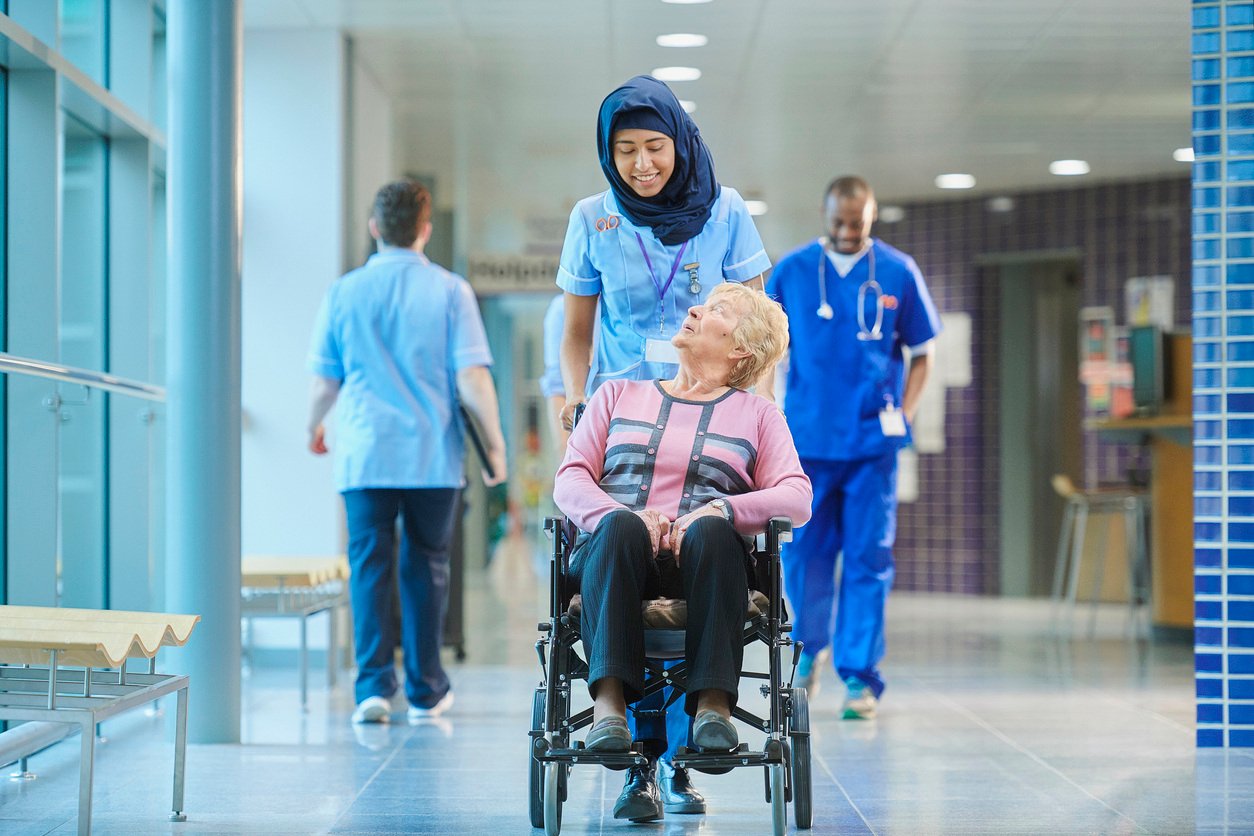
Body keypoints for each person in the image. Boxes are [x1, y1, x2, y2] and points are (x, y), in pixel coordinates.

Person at [555, 74, 772, 819]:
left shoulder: (728, 213)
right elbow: (578, 334)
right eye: (625, 151)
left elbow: (760, 322)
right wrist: (575, 399)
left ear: (679, 144)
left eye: (654, 148)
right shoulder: (593, 218)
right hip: (625, 424)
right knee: (622, 543)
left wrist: (760, 421)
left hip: (717, 414)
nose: (642, 165)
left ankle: (683, 755)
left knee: (706, 544)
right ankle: (635, 763)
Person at [553, 282, 812, 821]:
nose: (695, 310)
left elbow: (797, 495)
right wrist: (618, 517)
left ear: (741, 349)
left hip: (705, 567)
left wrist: (722, 510)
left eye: (717, 310)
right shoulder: (616, 395)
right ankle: (609, 708)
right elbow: (570, 479)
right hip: (615, 558)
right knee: (622, 528)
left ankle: (713, 709)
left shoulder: (760, 416)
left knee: (716, 533)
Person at [307, 179, 507, 726]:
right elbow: (471, 378)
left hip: (365, 453)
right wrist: (495, 447)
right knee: (427, 566)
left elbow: (326, 382)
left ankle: (371, 689)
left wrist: (314, 428)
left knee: (369, 566)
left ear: (375, 228)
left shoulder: (343, 293)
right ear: (425, 229)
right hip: (430, 457)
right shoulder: (450, 292)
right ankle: (425, 690)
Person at [763, 175, 940, 720]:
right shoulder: (791, 272)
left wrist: (903, 415)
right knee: (805, 557)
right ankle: (807, 655)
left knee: (868, 558)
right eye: (838, 222)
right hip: (808, 444)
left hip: (870, 447)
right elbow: (765, 354)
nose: (846, 232)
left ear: (872, 217)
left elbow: (923, 352)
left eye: (856, 224)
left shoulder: (897, 271)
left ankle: (860, 678)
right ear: (824, 213)